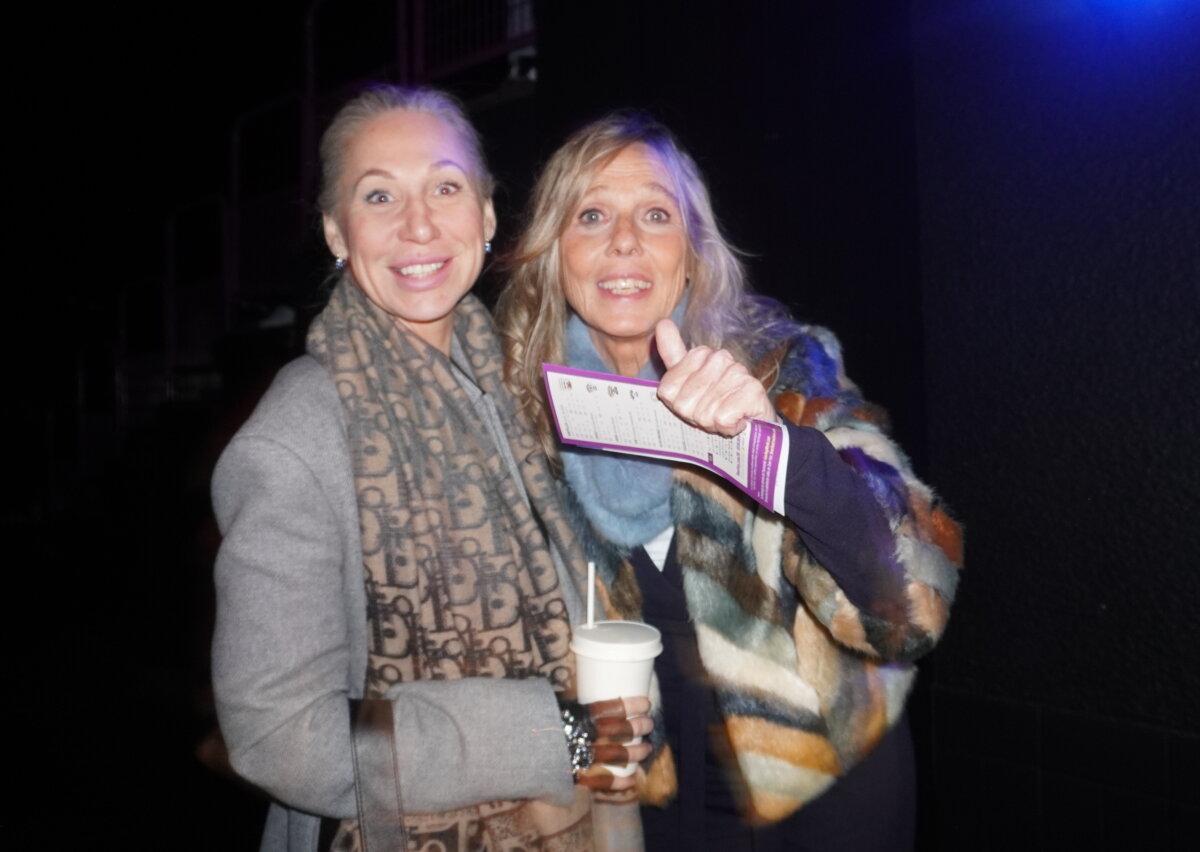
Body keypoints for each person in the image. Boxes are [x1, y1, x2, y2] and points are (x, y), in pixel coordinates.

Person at [495, 113, 963, 851]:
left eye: (655, 213)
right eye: (592, 215)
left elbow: (912, 606)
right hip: (652, 821)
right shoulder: (525, 423)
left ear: (691, 255)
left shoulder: (783, 371)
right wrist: (577, 758)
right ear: (555, 253)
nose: (624, 240)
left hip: (829, 805)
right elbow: (520, 655)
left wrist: (772, 454)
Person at [211, 86, 652, 852]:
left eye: (445, 187)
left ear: (484, 218)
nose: (418, 224)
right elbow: (279, 737)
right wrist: (563, 736)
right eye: (378, 195)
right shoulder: (295, 439)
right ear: (335, 233)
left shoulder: (520, 391)